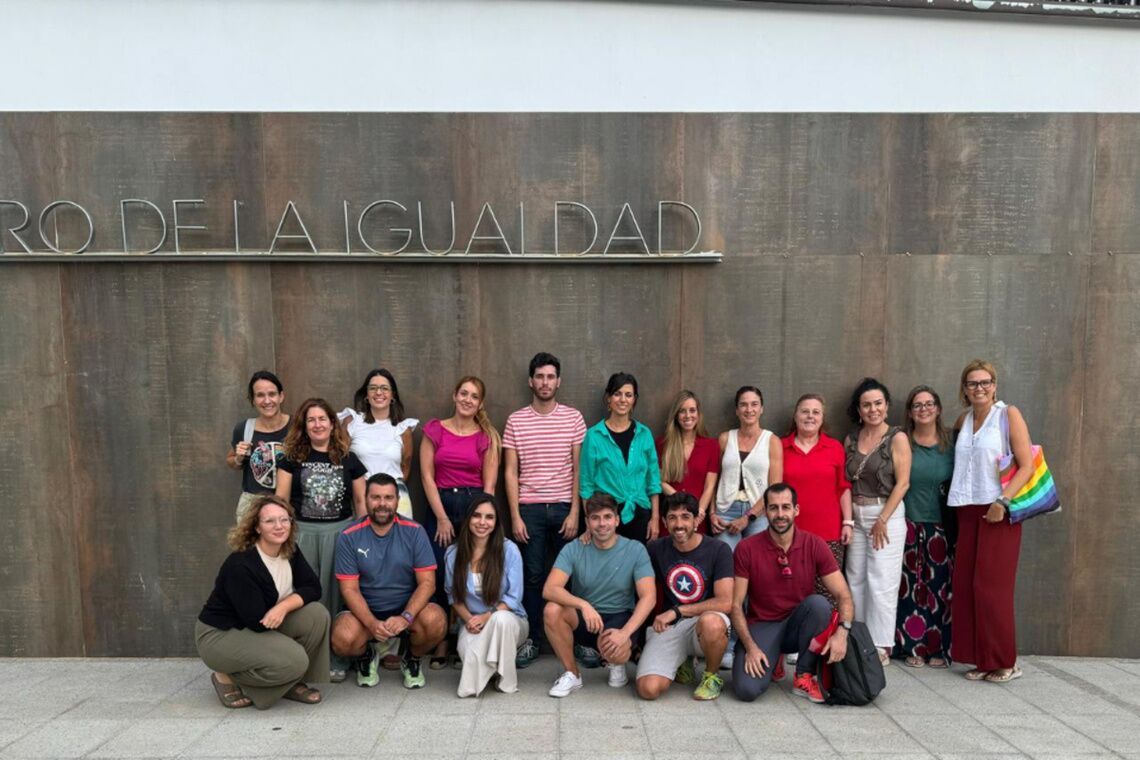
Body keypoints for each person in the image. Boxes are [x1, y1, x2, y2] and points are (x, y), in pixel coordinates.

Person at [196, 495, 329, 710]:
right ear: (257, 528)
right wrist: (280, 610)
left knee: (316, 614)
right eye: (270, 521)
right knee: (295, 660)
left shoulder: (289, 550)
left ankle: (292, 682)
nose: (279, 526)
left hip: (261, 621)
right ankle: (227, 677)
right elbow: (256, 621)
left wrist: (283, 606)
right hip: (221, 634)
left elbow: (314, 588)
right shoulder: (241, 565)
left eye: (284, 520)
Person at [947, 360, 1034, 683]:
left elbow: (1026, 465)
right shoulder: (964, 419)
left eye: (985, 382)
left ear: (994, 385)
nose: (979, 388)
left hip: (998, 509)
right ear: (964, 389)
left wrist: (1003, 500)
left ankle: (1005, 661)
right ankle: (982, 659)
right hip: (966, 508)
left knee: (992, 587)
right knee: (968, 585)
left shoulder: (1008, 415)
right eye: (972, 383)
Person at [730, 483, 855, 703]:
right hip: (763, 625)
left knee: (819, 605)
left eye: (786, 507)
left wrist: (842, 634)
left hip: (799, 624)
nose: (780, 514)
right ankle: (773, 657)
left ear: (796, 510)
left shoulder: (814, 544)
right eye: (774, 508)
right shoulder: (746, 548)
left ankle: (803, 674)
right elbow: (736, 604)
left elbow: (843, 594)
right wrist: (750, 647)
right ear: (765, 511)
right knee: (746, 690)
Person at [503, 352, 586, 668]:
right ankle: (534, 640)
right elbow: (510, 471)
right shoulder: (516, 420)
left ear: (558, 381)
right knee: (533, 577)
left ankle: (576, 642)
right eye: (539, 376)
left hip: (565, 506)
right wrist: (514, 515)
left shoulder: (573, 418)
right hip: (531, 510)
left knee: (572, 577)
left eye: (551, 377)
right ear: (530, 380)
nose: (545, 382)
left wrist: (576, 511)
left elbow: (580, 469)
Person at [275, 397, 367, 681]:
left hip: (340, 533)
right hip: (302, 534)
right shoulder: (291, 458)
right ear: (304, 425)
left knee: (337, 595)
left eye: (322, 419)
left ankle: (337, 657)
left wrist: (361, 537)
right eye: (311, 419)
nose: (317, 424)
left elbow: (361, 503)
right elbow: (281, 499)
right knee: (303, 595)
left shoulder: (348, 458)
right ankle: (304, 659)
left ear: (331, 423)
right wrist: (281, 537)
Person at [332, 474, 448, 689]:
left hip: (407, 612)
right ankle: (367, 655)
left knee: (436, 621)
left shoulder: (415, 532)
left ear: (397, 500)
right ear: (365, 499)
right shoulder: (348, 535)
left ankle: (411, 658)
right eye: (376, 497)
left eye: (388, 497)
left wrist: (405, 617)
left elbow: (427, 583)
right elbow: (349, 590)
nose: (382, 504)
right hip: (365, 613)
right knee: (342, 638)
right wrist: (371, 623)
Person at [420, 375, 501, 666]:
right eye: (463, 393)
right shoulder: (435, 430)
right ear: (454, 396)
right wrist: (441, 517)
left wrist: (481, 520)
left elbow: (489, 488)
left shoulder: (487, 436)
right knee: (441, 571)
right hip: (440, 504)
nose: (468, 399)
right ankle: (442, 641)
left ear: (480, 403)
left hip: (473, 506)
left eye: (474, 396)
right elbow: (427, 477)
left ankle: (468, 636)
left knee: (470, 570)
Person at [543, 494, 656, 697]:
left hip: (619, 617)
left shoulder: (635, 549)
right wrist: (583, 605)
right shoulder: (574, 548)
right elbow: (550, 589)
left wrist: (625, 633)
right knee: (552, 609)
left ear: (617, 520)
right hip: (586, 618)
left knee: (616, 648)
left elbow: (649, 597)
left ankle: (616, 662)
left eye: (607, 517)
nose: (601, 523)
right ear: (587, 522)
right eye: (595, 518)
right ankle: (572, 673)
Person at [636, 492, 734, 701]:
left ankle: (711, 676)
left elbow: (725, 602)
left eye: (685, 517)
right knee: (648, 689)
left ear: (697, 520)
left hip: (704, 622)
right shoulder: (655, 548)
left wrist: (676, 611)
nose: (679, 524)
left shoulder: (718, 549)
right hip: (671, 627)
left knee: (712, 623)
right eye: (672, 518)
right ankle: (683, 661)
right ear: (664, 521)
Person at [844, 378, 910, 666]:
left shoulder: (897, 437)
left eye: (878, 403)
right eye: (867, 404)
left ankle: (881, 645)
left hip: (886, 514)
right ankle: (858, 639)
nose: (873, 409)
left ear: (887, 406)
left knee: (882, 581)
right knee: (855, 579)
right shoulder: (851, 438)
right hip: (856, 516)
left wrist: (883, 519)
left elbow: (904, 483)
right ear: (859, 409)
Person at [895, 385, 955, 669]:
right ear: (910, 412)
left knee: (939, 588)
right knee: (909, 587)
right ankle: (911, 647)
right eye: (917, 405)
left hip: (941, 527)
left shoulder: (951, 445)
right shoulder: (903, 442)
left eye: (929, 404)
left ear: (938, 409)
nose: (924, 409)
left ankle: (938, 648)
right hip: (908, 523)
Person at [445, 493, 527, 697]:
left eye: (489, 517)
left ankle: (504, 682)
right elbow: (453, 596)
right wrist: (470, 621)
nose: (482, 522)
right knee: (468, 653)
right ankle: (492, 668)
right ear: (468, 519)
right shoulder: (453, 554)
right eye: (477, 516)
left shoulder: (509, 551)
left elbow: (513, 597)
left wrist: (486, 617)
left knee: (501, 620)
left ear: (497, 521)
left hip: (510, 621)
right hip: (472, 623)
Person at [781, 393, 853, 603]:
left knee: (828, 593)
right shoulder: (779, 446)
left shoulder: (835, 447)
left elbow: (843, 488)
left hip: (828, 534)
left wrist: (848, 522)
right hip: (789, 534)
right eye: (805, 411)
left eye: (816, 412)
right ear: (795, 416)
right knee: (791, 591)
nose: (810, 416)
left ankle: (827, 636)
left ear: (822, 418)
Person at [579, 372, 662, 543]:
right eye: (617, 394)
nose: (622, 399)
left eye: (628, 395)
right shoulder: (594, 436)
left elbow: (653, 481)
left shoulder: (644, 434)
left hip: (640, 515)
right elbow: (586, 483)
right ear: (608, 398)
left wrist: (654, 518)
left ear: (634, 400)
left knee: (637, 566)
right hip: (606, 517)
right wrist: (589, 522)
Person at [340, 368, 419, 519]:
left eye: (384, 388)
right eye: (373, 388)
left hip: (394, 497)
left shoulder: (403, 429)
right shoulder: (352, 422)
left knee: (399, 540)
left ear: (392, 395)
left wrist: (388, 492)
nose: (378, 392)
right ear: (366, 395)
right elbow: (342, 460)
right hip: (360, 496)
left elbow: (405, 466)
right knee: (362, 541)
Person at [712, 385, 782, 551]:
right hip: (725, 511)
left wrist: (748, 517)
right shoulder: (724, 439)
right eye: (743, 404)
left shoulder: (772, 441)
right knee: (726, 560)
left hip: (759, 513)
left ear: (761, 408)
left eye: (754, 404)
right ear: (736, 410)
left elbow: (774, 487)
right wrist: (712, 513)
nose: (749, 409)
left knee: (755, 561)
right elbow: (713, 481)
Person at [227, 370, 290, 522]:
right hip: (253, 506)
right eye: (260, 395)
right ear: (253, 400)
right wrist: (238, 459)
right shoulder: (244, 429)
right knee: (253, 547)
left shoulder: (297, 427)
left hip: (290, 501)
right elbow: (231, 460)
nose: (267, 401)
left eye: (272, 394)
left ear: (281, 396)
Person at [656, 390, 720, 536]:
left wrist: (698, 513)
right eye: (682, 411)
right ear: (676, 415)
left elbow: (709, 486)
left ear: (698, 414)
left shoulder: (711, 446)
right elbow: (659, 480)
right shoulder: (662, 444)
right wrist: (682, 502)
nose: (688, 416)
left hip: (697, 518)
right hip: (671, 516)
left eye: (692, 410)